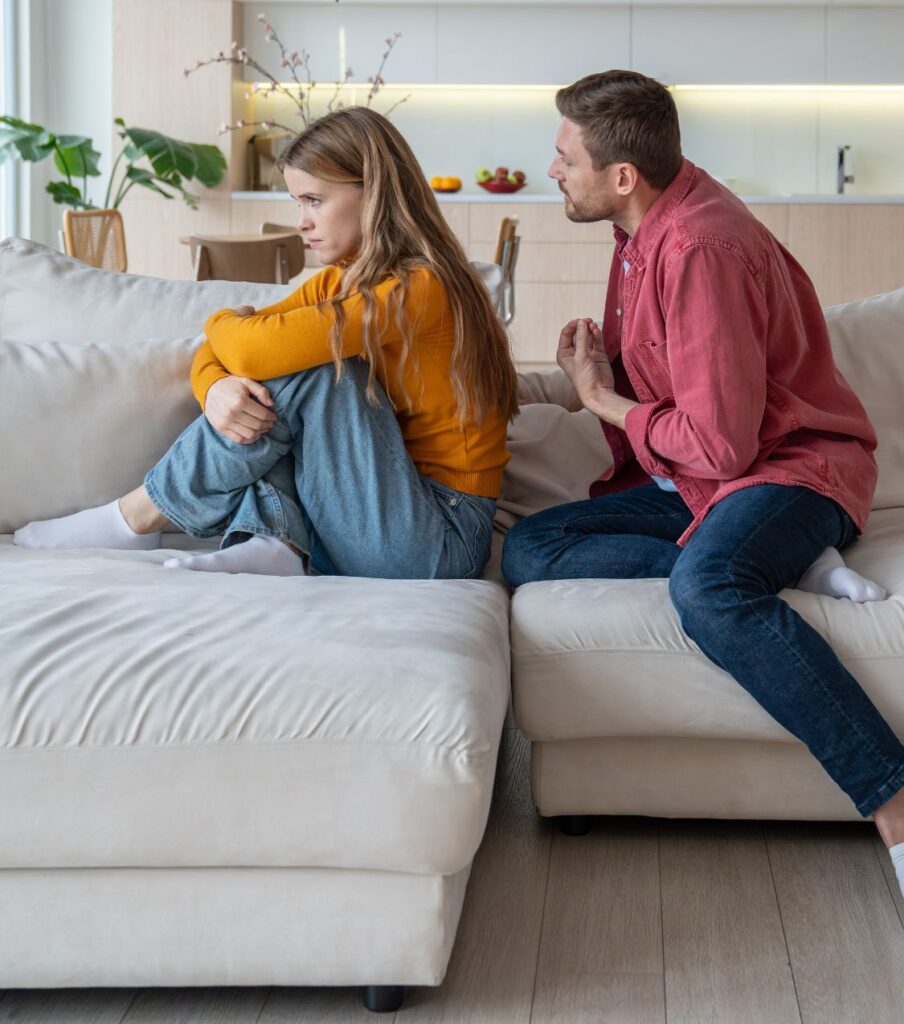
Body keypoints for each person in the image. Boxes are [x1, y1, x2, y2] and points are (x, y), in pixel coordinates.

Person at [501, 71, 904, 896]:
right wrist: (603, 369)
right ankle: (786, 560)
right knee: (532, 547)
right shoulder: (638, 235)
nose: (551, 170)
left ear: (621, 176)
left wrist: (600, 398)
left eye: (562, 156)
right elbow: (681, 407)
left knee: (711, 588)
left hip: (789, 472)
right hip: (702, 489)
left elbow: (721, 445)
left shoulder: (698, 248)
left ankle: (895, 804)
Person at [14, 107, 519, 581]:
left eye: (314, 201)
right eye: (298, 202)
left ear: (375, 193)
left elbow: (253, 349)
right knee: (278, 380)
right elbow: (223, 353)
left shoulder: (421, 288)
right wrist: (216, 389)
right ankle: (275, 543)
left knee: (319, 371)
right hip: (382, 511)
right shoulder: (339, 284)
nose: (302, 222)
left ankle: (137, 516)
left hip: (439, 536)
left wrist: (224, 326)